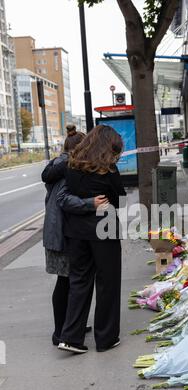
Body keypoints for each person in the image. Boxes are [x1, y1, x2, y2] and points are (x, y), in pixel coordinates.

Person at [58, 125, 126, 354]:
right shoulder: (108, 170)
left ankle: (70, 337)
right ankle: (106, 338)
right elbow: (118, 196)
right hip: (104, 228)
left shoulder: (72, 163)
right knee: (108, 282)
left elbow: (64, 195)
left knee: (79, 282)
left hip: (75, 231)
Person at [42, 125, 108, 346]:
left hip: (58, 231)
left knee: (69, 281)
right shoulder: (66, 168)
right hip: (61, 234)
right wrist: (91, 203)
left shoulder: (59, 165)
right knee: (66, 282)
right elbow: (63, 199)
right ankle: (60, 332)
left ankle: (70, 326)